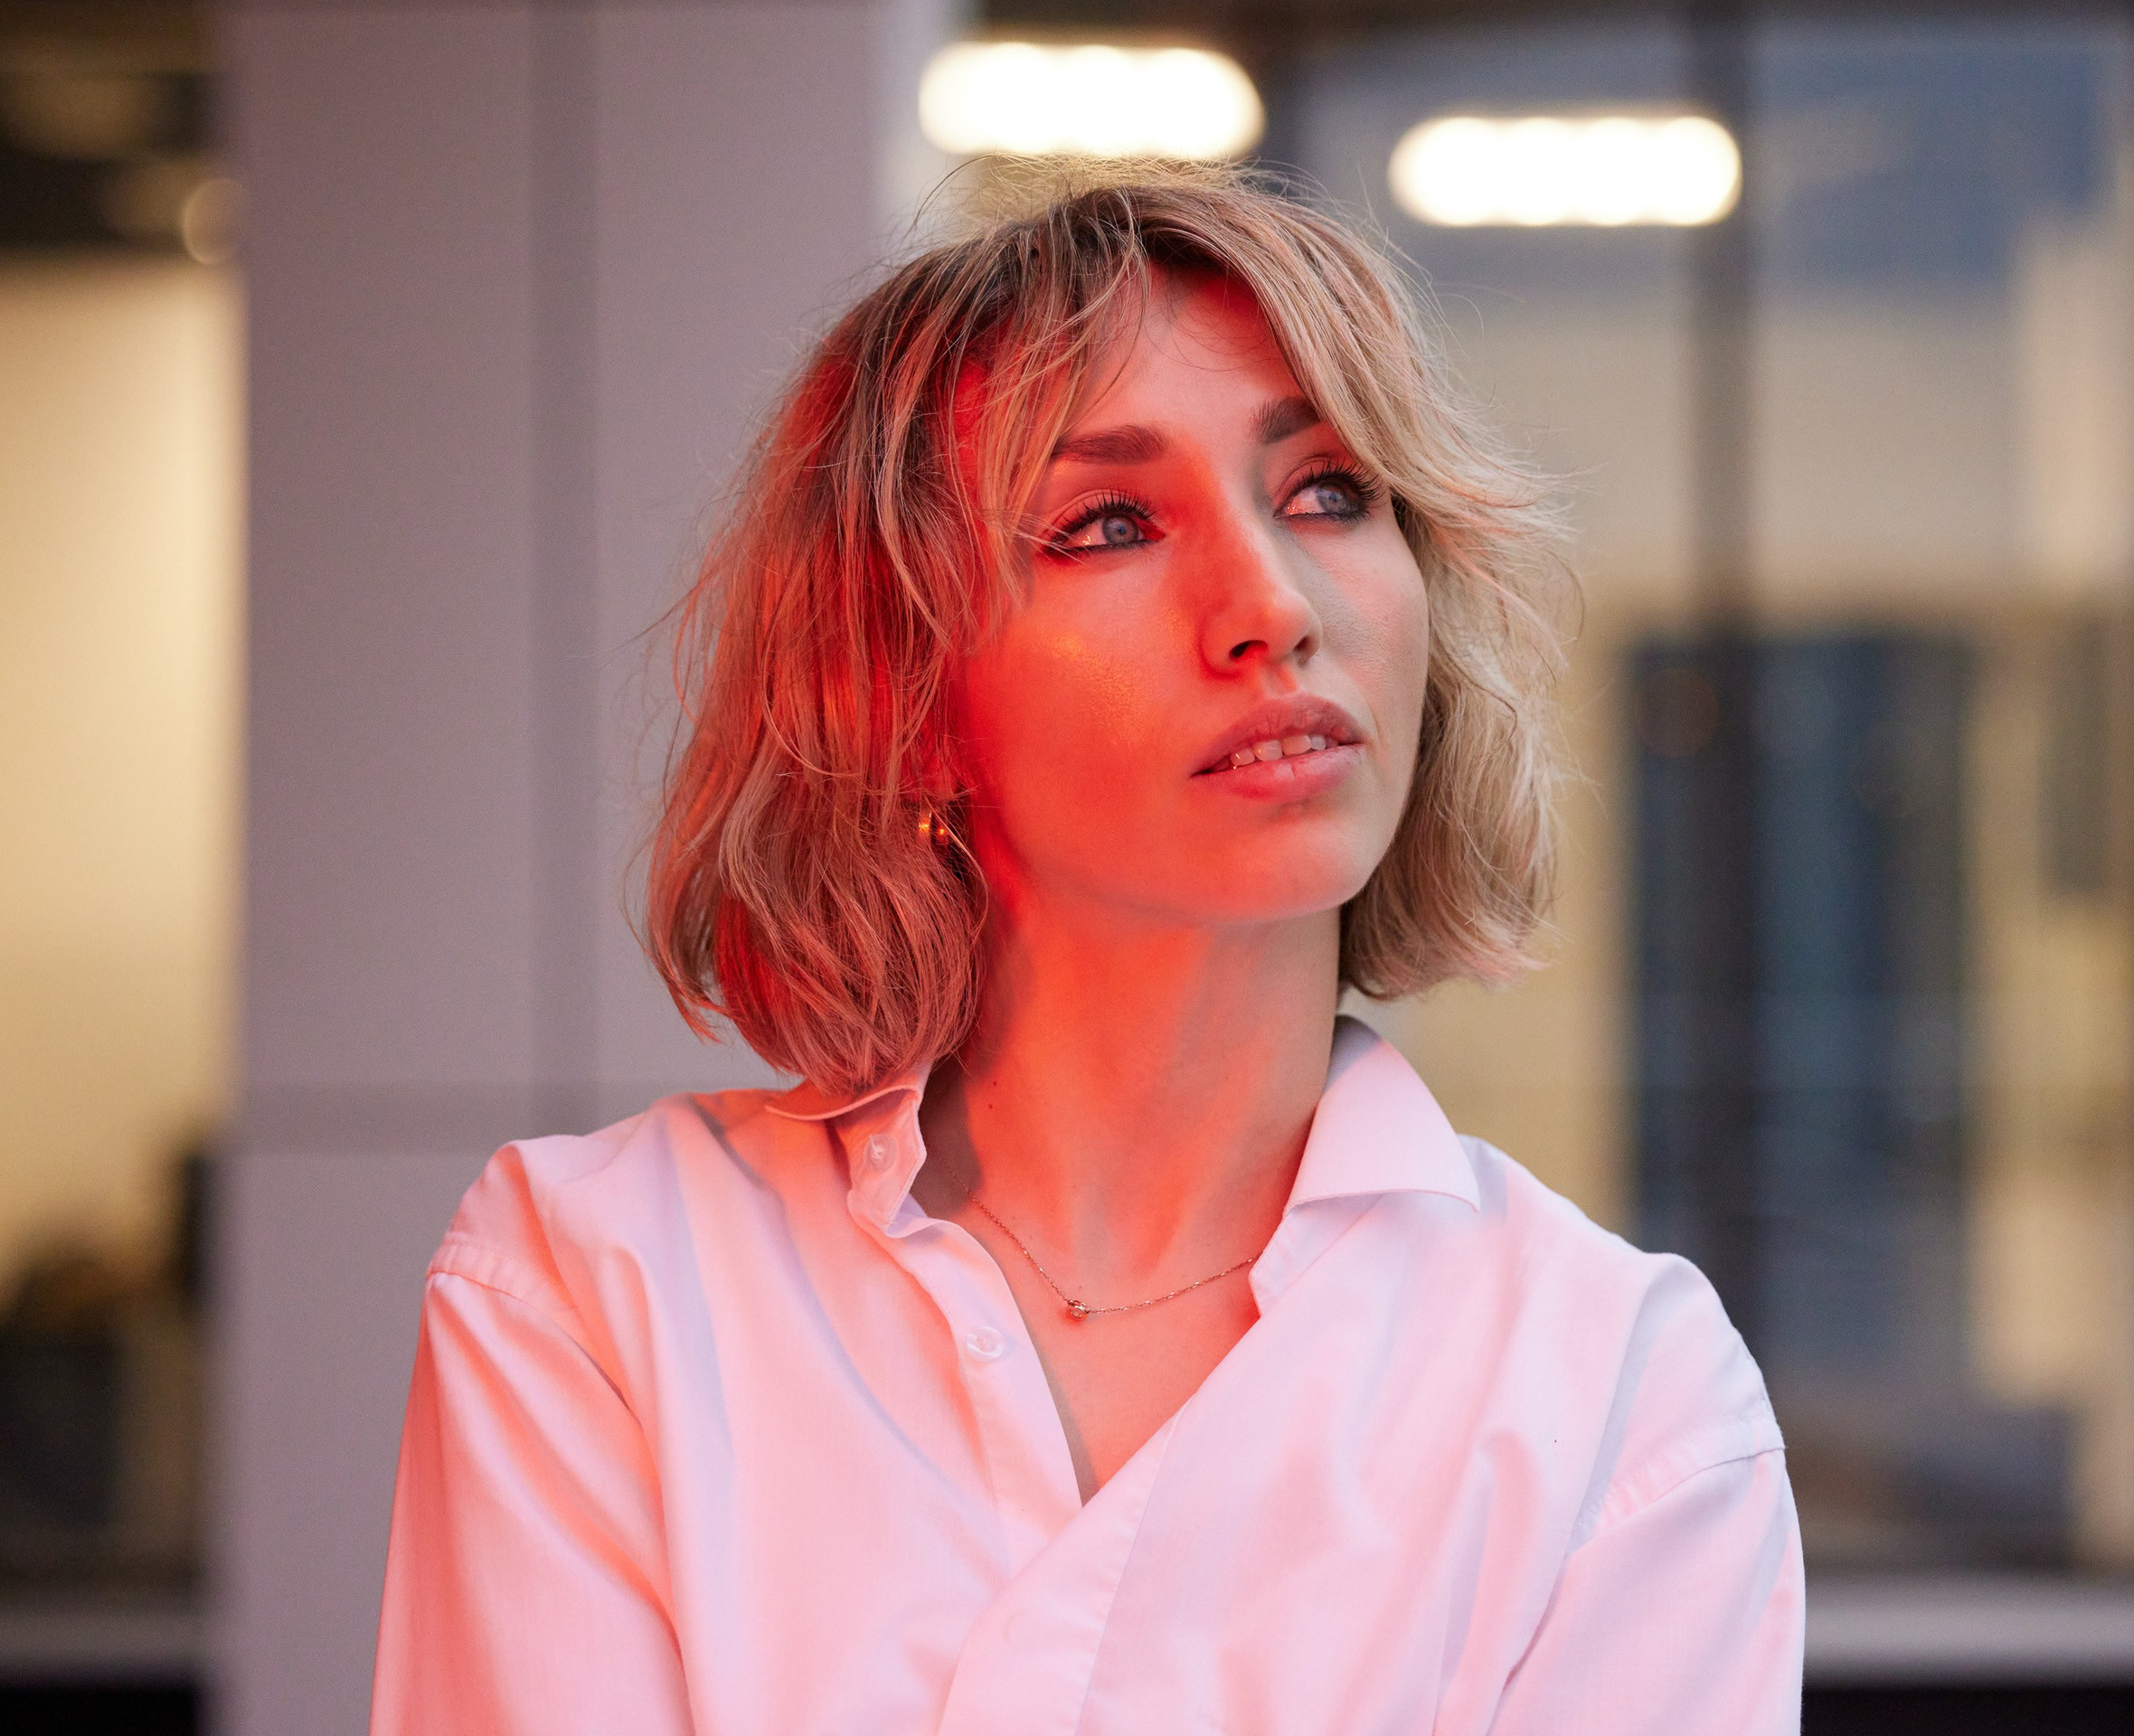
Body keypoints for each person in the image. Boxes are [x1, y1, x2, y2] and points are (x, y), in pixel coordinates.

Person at [370, 167, 1801, 1734]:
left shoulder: (1619, 1398)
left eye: (1330, 490)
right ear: (901, 693)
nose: (1273, 605)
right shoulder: (597, 1294)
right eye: (1108, 524)